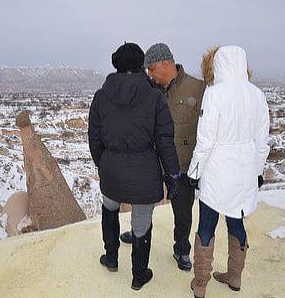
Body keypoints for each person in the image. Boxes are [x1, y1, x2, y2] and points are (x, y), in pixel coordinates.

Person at [88, 42, 181, 291]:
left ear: (116, 65)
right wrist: (172, 174)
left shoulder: (101, 96)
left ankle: (111, 258)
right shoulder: (154, 98)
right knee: (141, 223)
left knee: (110, 210)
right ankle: (139, 275)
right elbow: (165, 141)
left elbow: (94, 139)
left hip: (112, 171)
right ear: (141, 66)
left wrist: (103, 164)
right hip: (144, 172)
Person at [187, 45, 270, 298]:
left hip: (216, 172)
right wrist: (257, 171)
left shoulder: (214, 94)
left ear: (218, 65)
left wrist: (194, 171)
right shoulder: (257, 95)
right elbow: (261, 141)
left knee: (206, 226)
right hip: (244, 173)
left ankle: (200, 284)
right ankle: (235, 276)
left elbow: (206, 140)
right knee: (237, 221)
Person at [120, 43, 206, 272]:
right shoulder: (149, 89)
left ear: (166, 64)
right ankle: (138, 233)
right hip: (151, 161)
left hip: (183, 163)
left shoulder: (197, 89)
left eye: (151, 69)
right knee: (141, 201)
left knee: (183, 211)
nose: (149, 74)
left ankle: (181, 249)